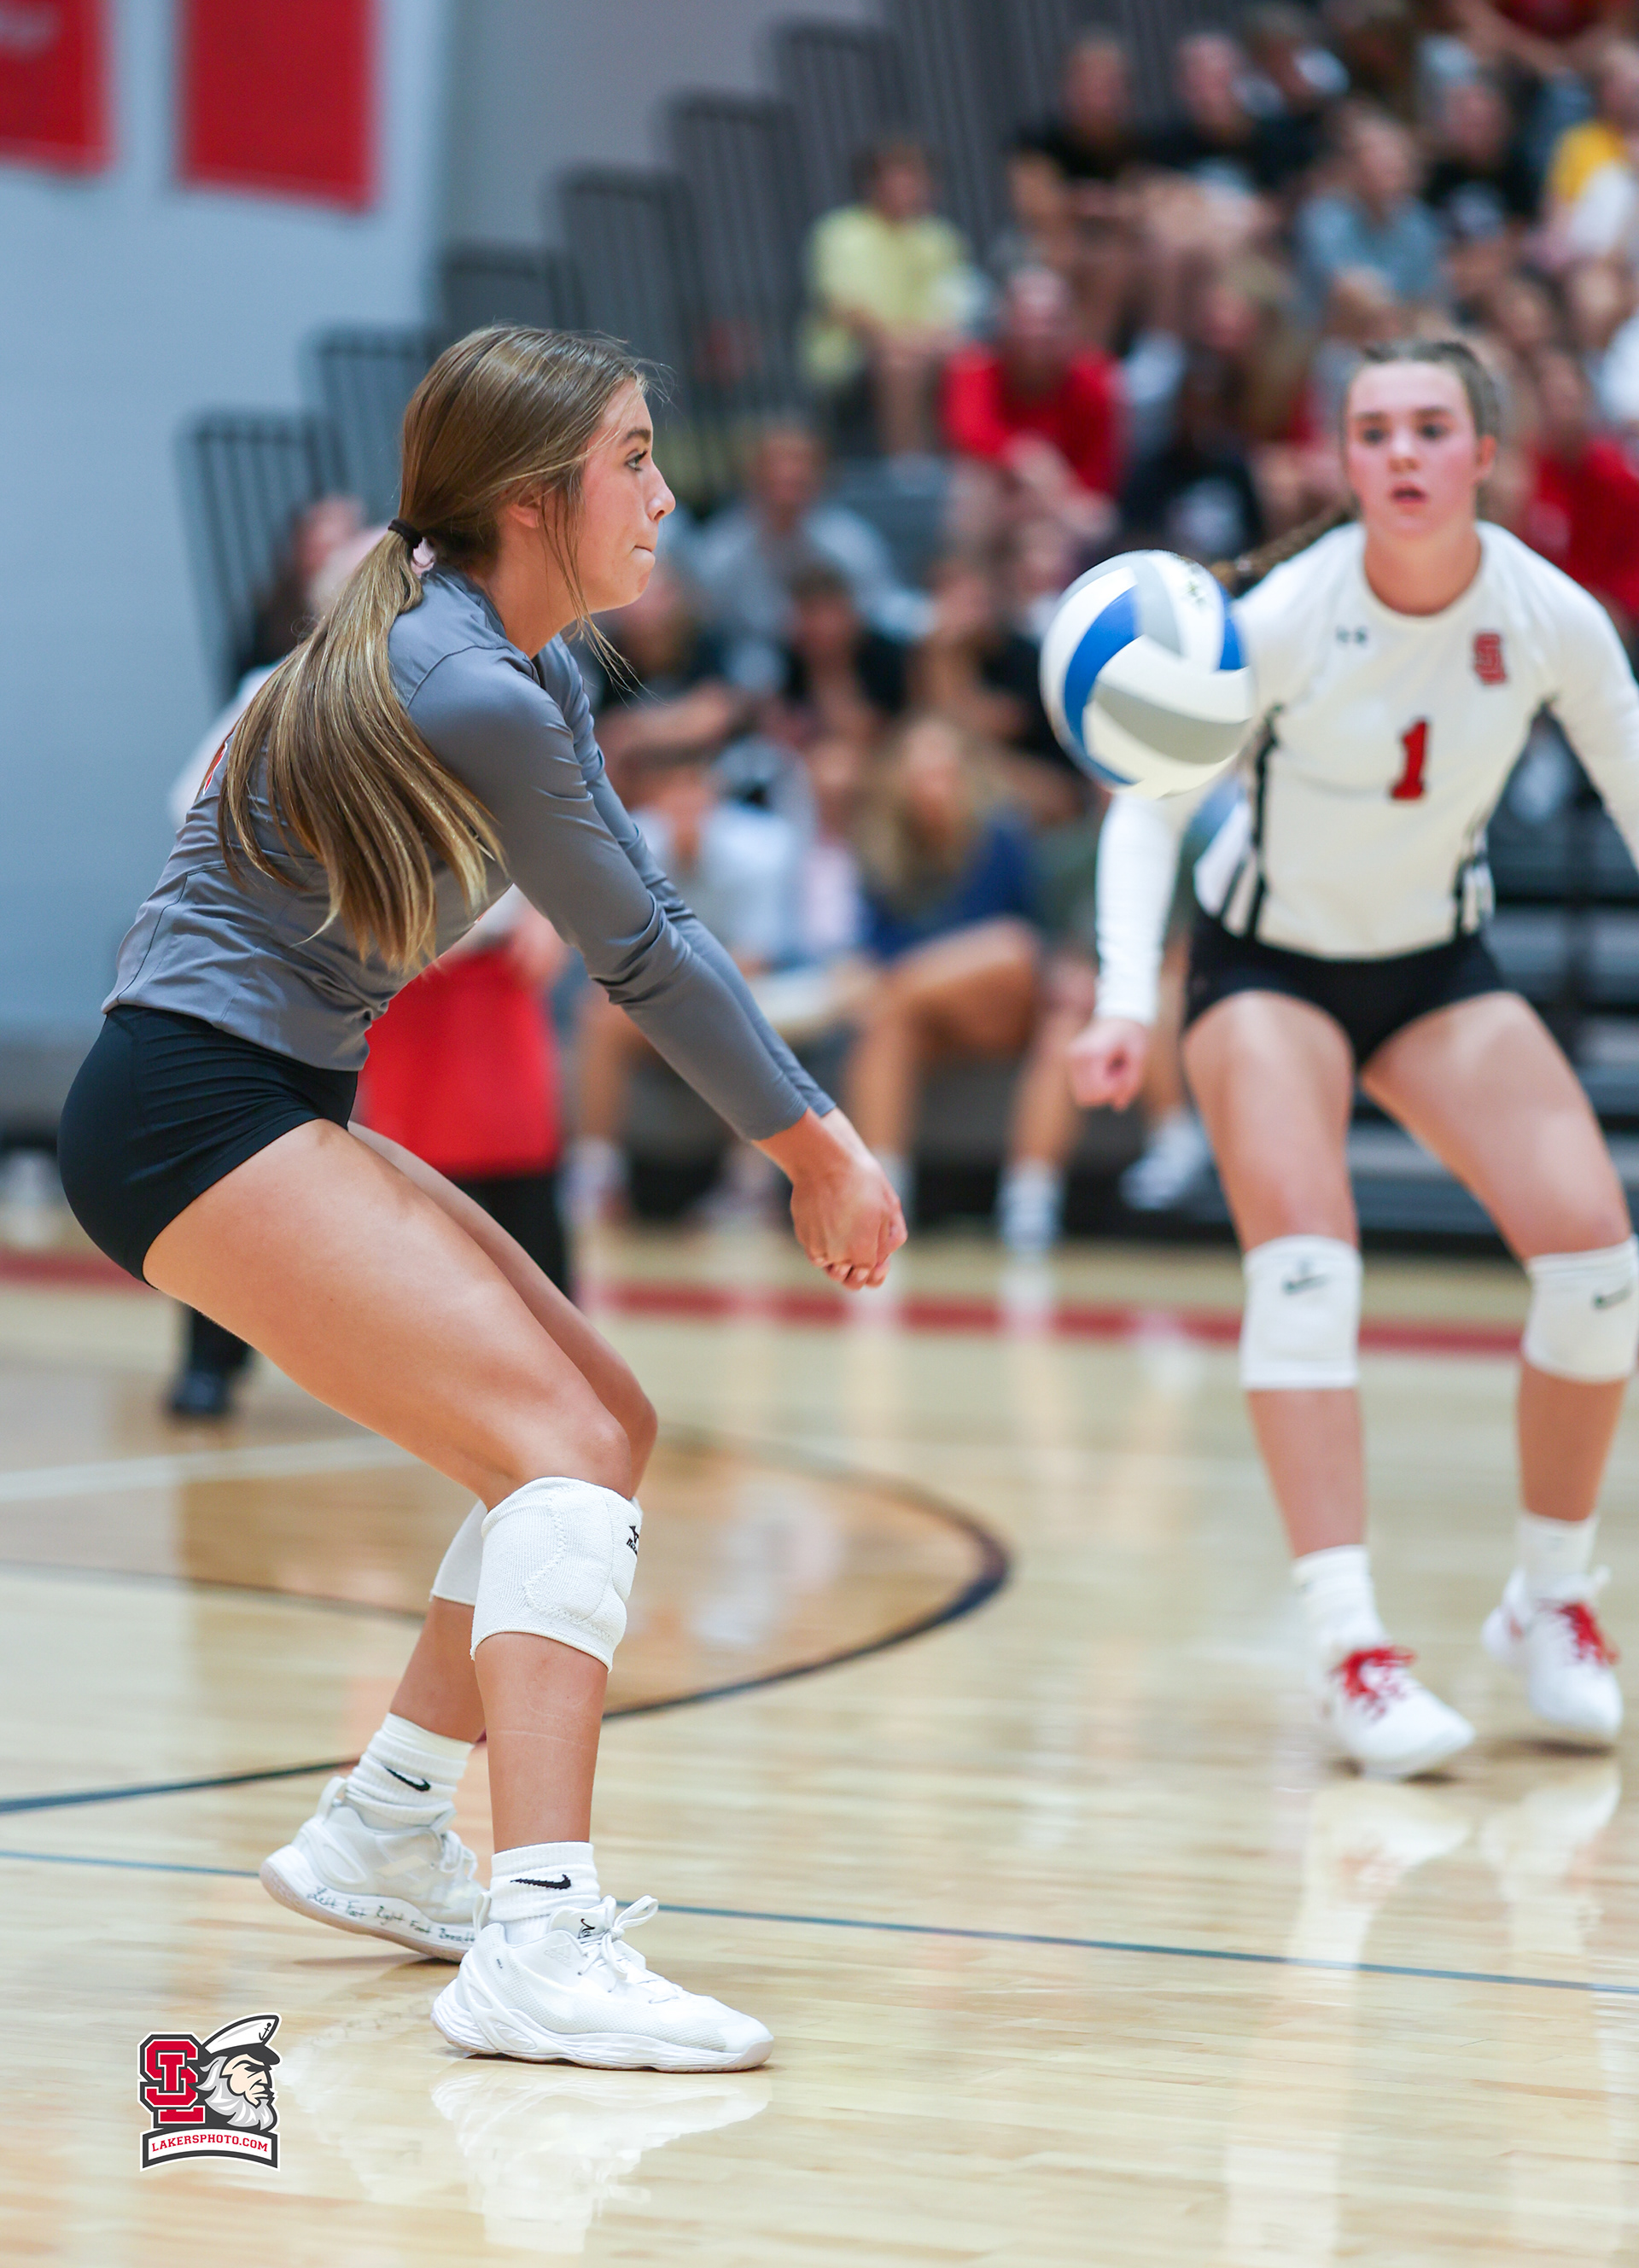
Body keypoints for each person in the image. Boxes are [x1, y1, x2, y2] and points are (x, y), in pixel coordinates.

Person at [56, 327, 903, 2069]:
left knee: (606, 1423)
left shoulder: (522, 666)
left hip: (254, 1096)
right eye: (635, 460)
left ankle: (383, 1824)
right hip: (186, 1109)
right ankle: (537, 1932)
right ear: (531, 502)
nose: (665, 496)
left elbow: (645, 913)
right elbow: (641, 950)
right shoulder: (463, 684)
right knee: (561, 1451)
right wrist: (815, 1137)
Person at [1068, 337, 1637, 1778]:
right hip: (1268, 967)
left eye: (1430, 427)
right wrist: (1126, 999)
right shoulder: (1280, 617)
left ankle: (1550, 1597)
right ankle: (1349, 1648)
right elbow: (1147, 806)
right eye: (1373, 430)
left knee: (1598, 1265)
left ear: (1483, 455)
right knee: (1310, 1271)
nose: (1400, 453)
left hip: (1436, 965)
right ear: (1343, 461)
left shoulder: (1549, 616)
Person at [848, 714, 1083, 1250]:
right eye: (922, 774)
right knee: (887, 1026)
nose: (935, 786)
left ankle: (1031, 1203)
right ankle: (882, 1199)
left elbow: (1034, 943)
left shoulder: (1003, 837)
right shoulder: (883, 855)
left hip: (1014, 1004)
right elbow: (874, 954)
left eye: (945, 772)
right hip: (938, 1016)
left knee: (1010, 953)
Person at [689, 422, 928, 693]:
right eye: (776, 479)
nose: (786, 493)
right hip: (748, 666)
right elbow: (707, 626)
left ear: (819, 481)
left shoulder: (850, 541)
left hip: (844, 661)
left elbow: (882, 606)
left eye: (797, 481)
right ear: (754, 480)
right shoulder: (720, 552)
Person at [801, 136, 981, 458]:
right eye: (895, 177)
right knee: (900, 364)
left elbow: (957, 306)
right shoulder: (842, 232)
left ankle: (970, 459)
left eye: (915, 177)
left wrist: (930, 340)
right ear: (872, 184)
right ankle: (908, 467)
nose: (906, 187)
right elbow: (846, 308)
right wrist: (899, 341)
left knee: (973, 360)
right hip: (852, 358)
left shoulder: (941, 238)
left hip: (925, 348)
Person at [942, 267, 1123, 545]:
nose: (1038, 334)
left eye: (1051, 322)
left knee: (1096, 520)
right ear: (1003, 322)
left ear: (1072, 326)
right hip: (998, 502)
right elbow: (968, 432)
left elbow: (1098, 476)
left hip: (1061, 506)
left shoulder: (1097, 379)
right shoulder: (975, 368)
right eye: (1026, 321)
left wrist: (1048, 489)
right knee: (972, 488)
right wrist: (1026, 458)